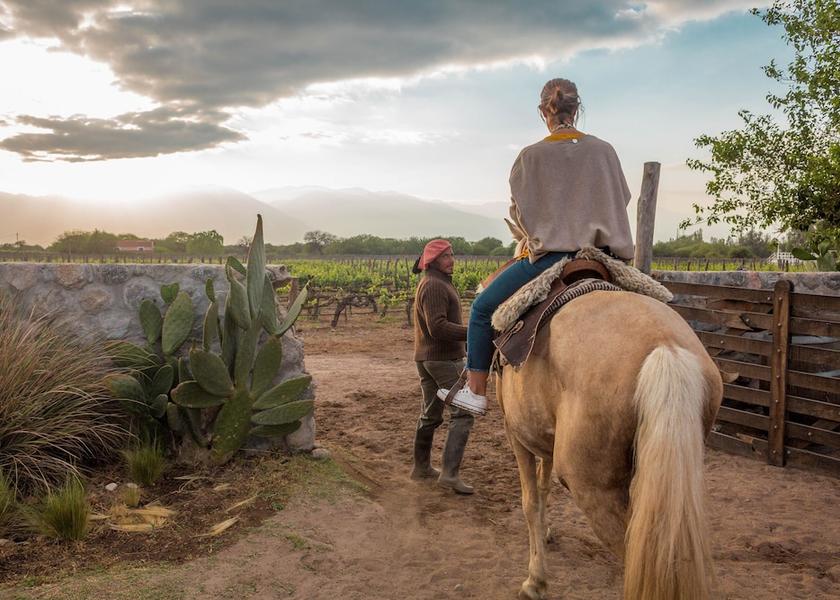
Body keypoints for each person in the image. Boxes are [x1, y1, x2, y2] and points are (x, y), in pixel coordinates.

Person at [439, 77, 635, 416]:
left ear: (543, 111)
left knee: (483, 309)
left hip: (553, 259)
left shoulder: (530, 157)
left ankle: (475, 391)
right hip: (606, 257)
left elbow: (521, 215)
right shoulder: (605, 151)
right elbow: (623, 197)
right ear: (577, 108)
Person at [411, 239, 476, 494]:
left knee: (431, 413)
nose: (452, 259)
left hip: (427, 358)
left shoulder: (433, 282)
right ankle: (449, 475)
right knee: (463, 412)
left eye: (452, 254)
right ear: (433, 261)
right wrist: (474, 332)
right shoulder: (435, 286)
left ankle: (421, 468)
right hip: (442, 360)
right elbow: (437, 327)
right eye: (446, 256)